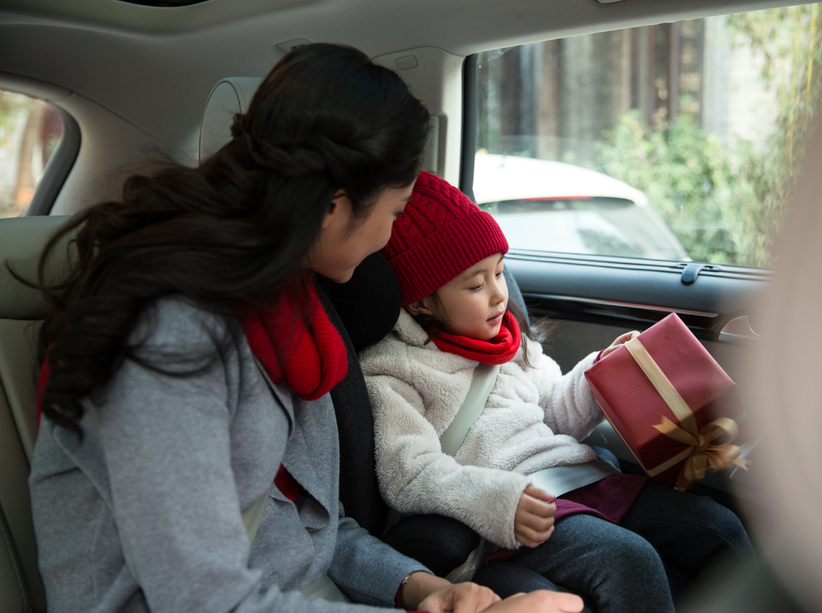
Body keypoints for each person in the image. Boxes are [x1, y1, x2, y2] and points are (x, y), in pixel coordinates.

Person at [27, 43, 583, 613]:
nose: (389, 242)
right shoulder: (166, 338)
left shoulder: (291, 317)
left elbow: (312, 529)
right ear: (334, 206)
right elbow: (202, 598)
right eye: (394, 214)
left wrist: (422, 588)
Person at [359, 171, 756, 613]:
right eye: (475, 285)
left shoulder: (510, 342)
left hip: (579, 477)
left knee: (720, 529)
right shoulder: (394, 370)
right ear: (420, 301)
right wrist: (496, 501)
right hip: (516, 508)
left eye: (500, 273)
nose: (498, 296)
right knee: (630, 560)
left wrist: (600, 374)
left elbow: (553, 409)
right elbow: (408, 473)